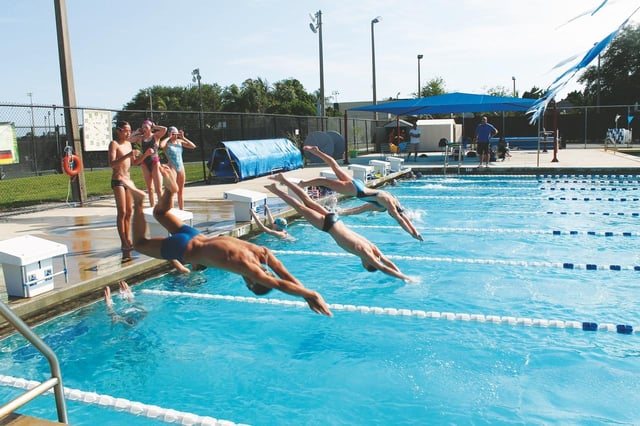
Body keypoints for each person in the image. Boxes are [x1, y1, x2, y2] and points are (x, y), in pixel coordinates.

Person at [123, 165, 332, 317]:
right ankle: (139, 202)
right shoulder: (251, 270)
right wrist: (310, 293)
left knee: (161, 212)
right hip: (185, 248)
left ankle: (170, 190)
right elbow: (279, 283)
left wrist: (306, 295)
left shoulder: (263, 253)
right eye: (250, 287)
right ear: (253, 282)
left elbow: (284, 275)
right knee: (140, 243)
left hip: (194, 234)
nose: (247, 284)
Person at [265, 173, 413, 281]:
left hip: (336, 220)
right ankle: (276, 190)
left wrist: (400, 271)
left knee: (307, 200)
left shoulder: (374, 249)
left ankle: (283, 181)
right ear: (368, 263)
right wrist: (405, 277)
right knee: (299, 205)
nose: (362, 262)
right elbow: (383, 268)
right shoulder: (367, 254)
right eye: (365, 264)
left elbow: (387, 262)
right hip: (328, 226)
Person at [298, 145, 423, 241]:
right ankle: (303, 183)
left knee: (335, 166)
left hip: (358, 185)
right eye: (393, 213)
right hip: (355, 190)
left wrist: (415, 232)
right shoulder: (388, 204)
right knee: (324, 182)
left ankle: (317, 151)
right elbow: (400, 220)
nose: (392, 214)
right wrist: (412, 234)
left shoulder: (387, 203)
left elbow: (403, 218)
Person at [108, 121, 142, 260]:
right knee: (121, 212)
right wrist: (127, 156)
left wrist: (144, 155)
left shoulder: (128, 144)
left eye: (130, 130)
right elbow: (112, 164)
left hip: (127, 180)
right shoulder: (114, 144)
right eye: (126, 131)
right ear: (119, 131)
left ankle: (128, 239)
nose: (129, 133)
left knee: (129, 211)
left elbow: (133, 163)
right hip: (118, 180)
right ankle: (123, 242)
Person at [130, 120, 167, 207]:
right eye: (143, 127)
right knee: (150, 188)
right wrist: (135, 132)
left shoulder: (155, 136)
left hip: (154, 161)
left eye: (146, 127)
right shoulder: (140, 138)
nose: (144, 129)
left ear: (150, 128)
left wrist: (155, 126)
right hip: (145, 163)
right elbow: (128, 139)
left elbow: (164, 129)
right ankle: (152, 207)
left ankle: (161, 208)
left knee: (158, 189)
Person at [159, 127, 196, 210]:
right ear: (169, 133)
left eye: (176, 133)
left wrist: (183, 137)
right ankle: (171, 211)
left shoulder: (179, 142)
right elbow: (161, 145)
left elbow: (193, 146)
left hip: (181, 167)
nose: (175, 135)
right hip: (172, 167)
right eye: (173, 133)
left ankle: (181, 210)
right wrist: (169, 137)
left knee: (180, 192)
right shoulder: (167, 144)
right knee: (172, 192)